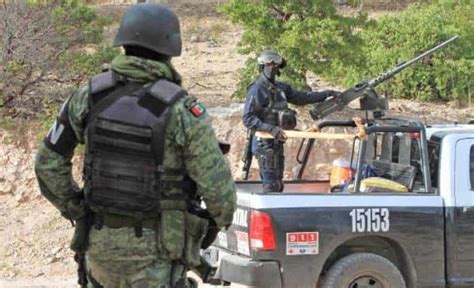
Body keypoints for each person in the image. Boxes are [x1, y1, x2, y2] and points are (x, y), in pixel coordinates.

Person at [35, 3, 236, 288]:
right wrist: (209, 226)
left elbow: (47, 163)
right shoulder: (182, 109)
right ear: (170, 48)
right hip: (158, 255)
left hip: (99, 248)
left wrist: (76, 207)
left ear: (124, 42)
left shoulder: (88, 95)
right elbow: (221, 196)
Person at [243, 50, 341, 192]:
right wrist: (271, 129)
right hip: (264, 142)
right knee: (271, 185)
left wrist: (327, 94)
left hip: (277, 142)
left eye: (275, 64)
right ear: (262, 66)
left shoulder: (281, 88)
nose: (272, 67)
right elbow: (248, 118)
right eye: (269, 64)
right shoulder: (257, 90)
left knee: (278, 183)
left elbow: (304, 97)